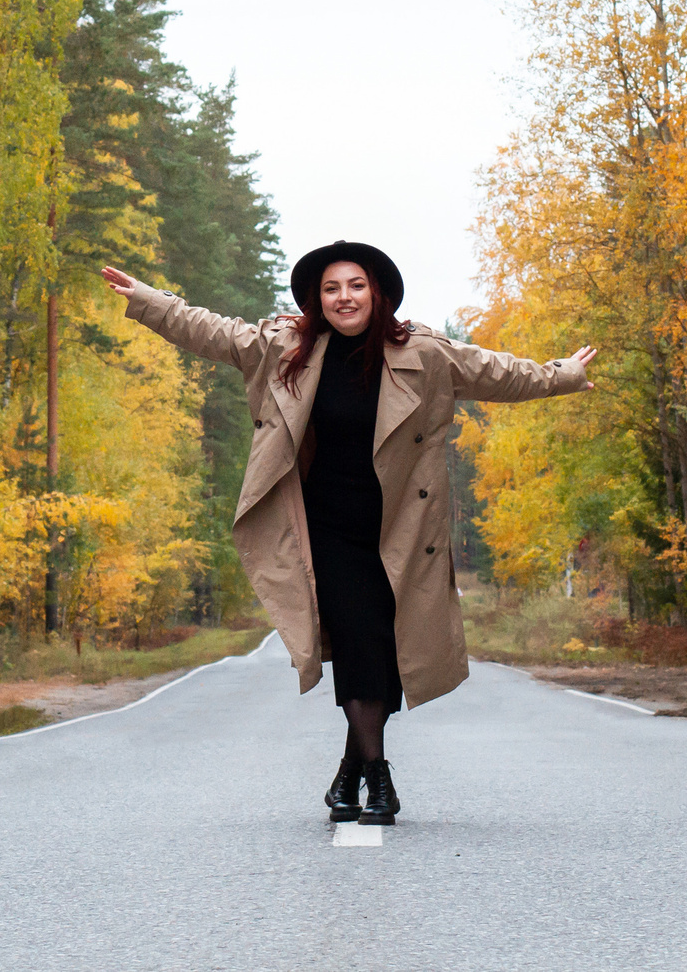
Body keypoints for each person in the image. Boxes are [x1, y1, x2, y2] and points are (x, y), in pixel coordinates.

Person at [100, 241, 596, 826]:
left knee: (383, 650)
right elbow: (211, 331)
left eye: (356, 286)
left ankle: (347, 773)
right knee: (360, 639)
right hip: (326, 528)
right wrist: (149, 300)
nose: (344, 298)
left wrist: (564, 374)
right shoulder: (286, 348)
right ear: (317, 299)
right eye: (332, 289)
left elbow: (498, 373)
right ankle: (379, 779)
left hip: (400, 530)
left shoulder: (423, 353)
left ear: (376, 293)